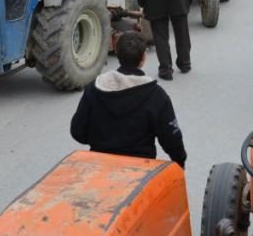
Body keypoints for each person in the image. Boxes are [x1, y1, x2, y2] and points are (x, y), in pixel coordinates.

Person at [69, 31, 186, 167]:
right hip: (140, 171)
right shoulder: (156, 96)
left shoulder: (94, 89)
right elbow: (171, 138)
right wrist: (180, 161)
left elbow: (77, 132)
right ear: (143, 58)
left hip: (100, 168)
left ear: (117, 54)